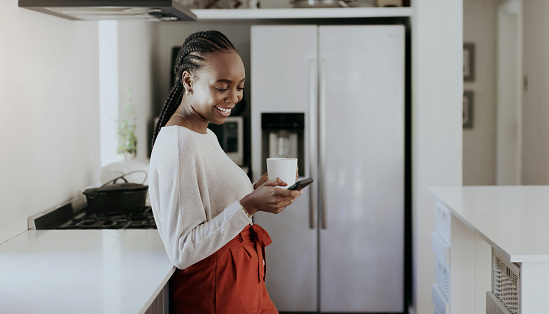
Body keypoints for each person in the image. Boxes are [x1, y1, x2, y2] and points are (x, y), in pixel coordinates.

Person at [149, 30, 303, 313]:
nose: (233, 98)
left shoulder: (203, 133)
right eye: (222, 87)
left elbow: (216, 206)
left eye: (240, 87)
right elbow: (183, 249)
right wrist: (249, 205)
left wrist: (256, 191)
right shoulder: (179, 144)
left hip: (240, 275)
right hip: (216, 285)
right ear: (188, 81)